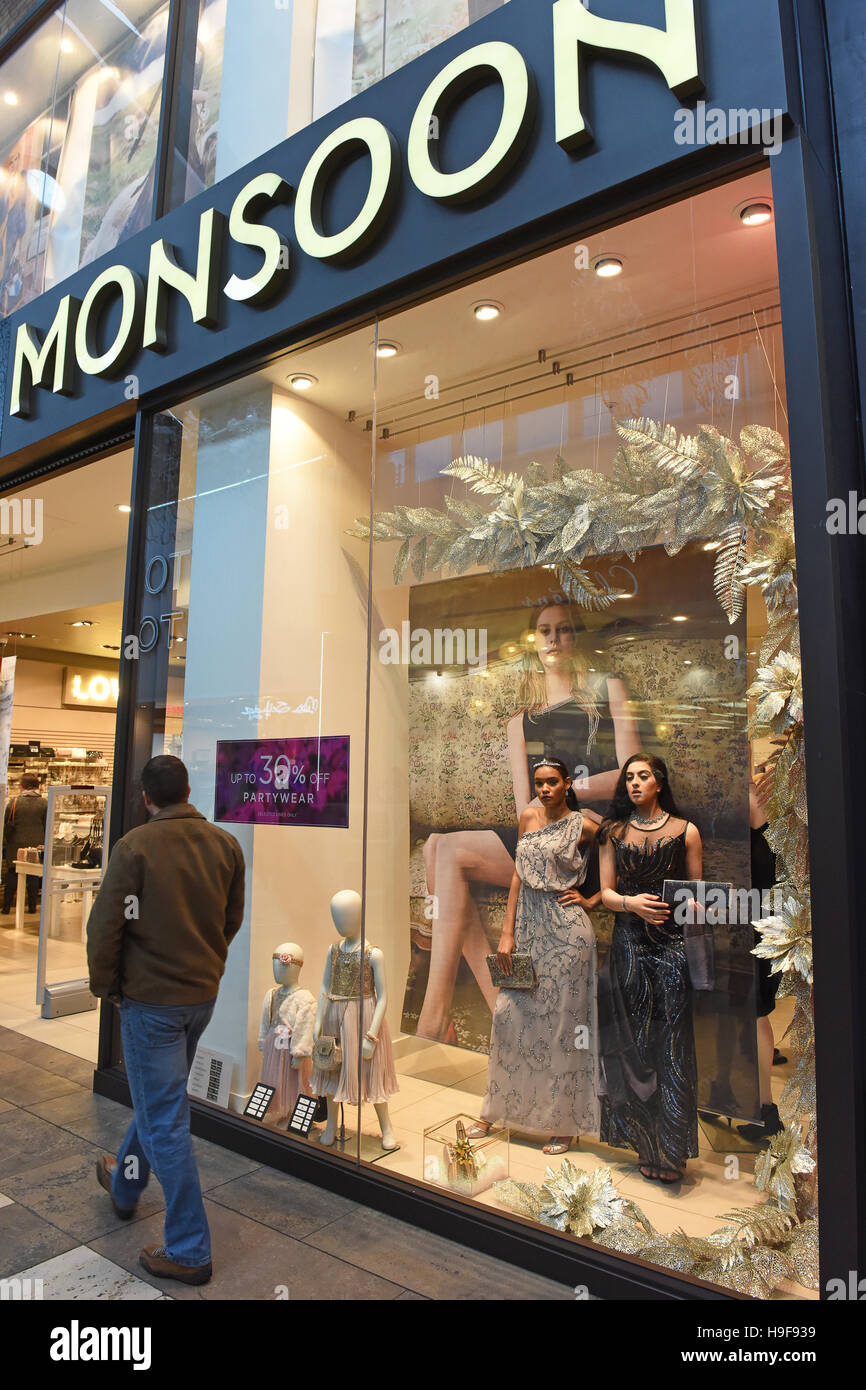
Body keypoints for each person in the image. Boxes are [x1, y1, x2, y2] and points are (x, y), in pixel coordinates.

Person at [416, 602, 640, 1041]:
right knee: (433, 846)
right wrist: (539, 833)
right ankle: (492, 1011)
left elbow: (631, 775)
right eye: (544, 631)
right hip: (543, 833)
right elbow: (525, 807)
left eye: (563, 630)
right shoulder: (520, 720)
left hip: (592, 835)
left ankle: (435, 1020)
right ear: (533, 641)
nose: (554, 639)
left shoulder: (606, 688)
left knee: (443, 850)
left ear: (576, 636)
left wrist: (570, 791)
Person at [87, 754, 245, 1286]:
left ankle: (190, 1249)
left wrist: (107, 986)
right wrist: (206, 962)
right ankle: (126, 1183)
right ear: (187, 790)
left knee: (166, 1120)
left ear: (146, 798)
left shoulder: (135, 847)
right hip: (200, 997)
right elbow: (231, 919)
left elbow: (105, 925)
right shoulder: (225, 845)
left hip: (151, 1002)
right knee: (162, 1100)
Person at [471, 758, 601, 1154]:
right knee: (509, 1017)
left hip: (567, 932)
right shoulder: (528, 816)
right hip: (527, 928)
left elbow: (618, 852)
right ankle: (494, 1109)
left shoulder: (585, 824)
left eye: (551, 783)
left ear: (567, 784)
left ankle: (564, 1123)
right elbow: (517, 874)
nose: (544, 790)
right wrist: (506, 932)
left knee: (563, 1029)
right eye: (539, 783)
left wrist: (595, 898)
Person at [597, 753, 702, 1184]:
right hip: (628, 943)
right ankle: (645, 1142)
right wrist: (630, 903)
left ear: (659, 782)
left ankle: (672, 1150)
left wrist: (696, 904)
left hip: (673, 945)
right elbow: (604, 893)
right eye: (629, 778)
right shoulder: (613, 833)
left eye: (643, 776)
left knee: (672, 1043)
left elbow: (699, 891)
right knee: (633, 1044)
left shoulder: (686, 831)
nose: (635, 784)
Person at [2, 773, 47, 916]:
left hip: (16, 843)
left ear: (22, 786)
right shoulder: (44, 803)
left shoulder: (14, 802)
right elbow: (47, 825)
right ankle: (32, 907)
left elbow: (6, 822)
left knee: (13, 873)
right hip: (36, 843)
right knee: (33, 875)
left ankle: (6, 907)